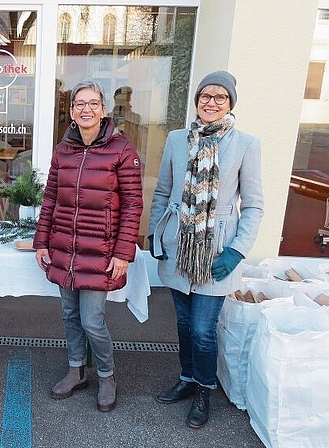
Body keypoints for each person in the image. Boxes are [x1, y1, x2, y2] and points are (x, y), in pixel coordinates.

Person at [148, 71, 263, 429]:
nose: (211, 102)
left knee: (202, 329)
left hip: (216, 254)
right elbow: (163, 192)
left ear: (230, 103)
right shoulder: (177, 139)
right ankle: (186, 377)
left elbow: (255, 205)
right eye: (205, 96)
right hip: (179, 248)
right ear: (197, 100)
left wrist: (237, 251)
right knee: (183, 323)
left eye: (220, 97)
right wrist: (156, 234)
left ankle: (204, 389)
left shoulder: (245, 144)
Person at [33, 79, 143, 412]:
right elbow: (51, 197)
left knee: (92, 319)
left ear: (103, 110)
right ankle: (76, 369)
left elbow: (134, 204)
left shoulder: (121, 149)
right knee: (69, 314)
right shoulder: (63, 149)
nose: (86, 109)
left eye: (93, 103)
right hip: (65, 246)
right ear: (71, 112)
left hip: (101, 250)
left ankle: (107, 375)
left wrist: (124, 252)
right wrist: (42, 241)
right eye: (80, 104)